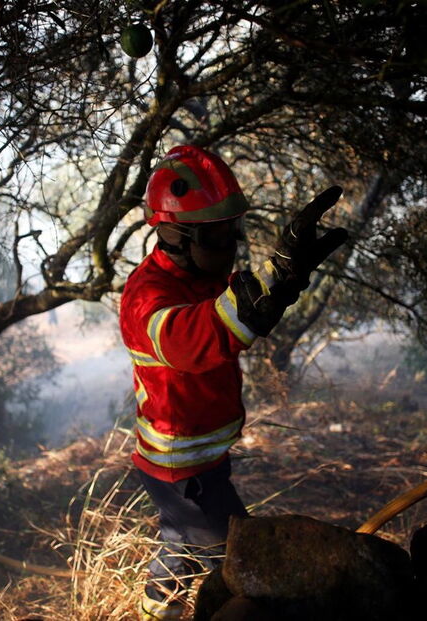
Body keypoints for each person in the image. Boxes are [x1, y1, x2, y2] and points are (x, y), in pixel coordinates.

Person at [119, 145, 348, 620]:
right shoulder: (146, 298)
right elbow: (193, 339)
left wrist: (281, 280)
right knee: (243, 565)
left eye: (231, 232)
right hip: (182, 472)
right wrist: (267, 283)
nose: (229, 246)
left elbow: (231, 311)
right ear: (172, 233)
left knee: (181, 545)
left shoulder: (200, 276)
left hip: (201, 460)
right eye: (215, 235)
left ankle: (154, 609)